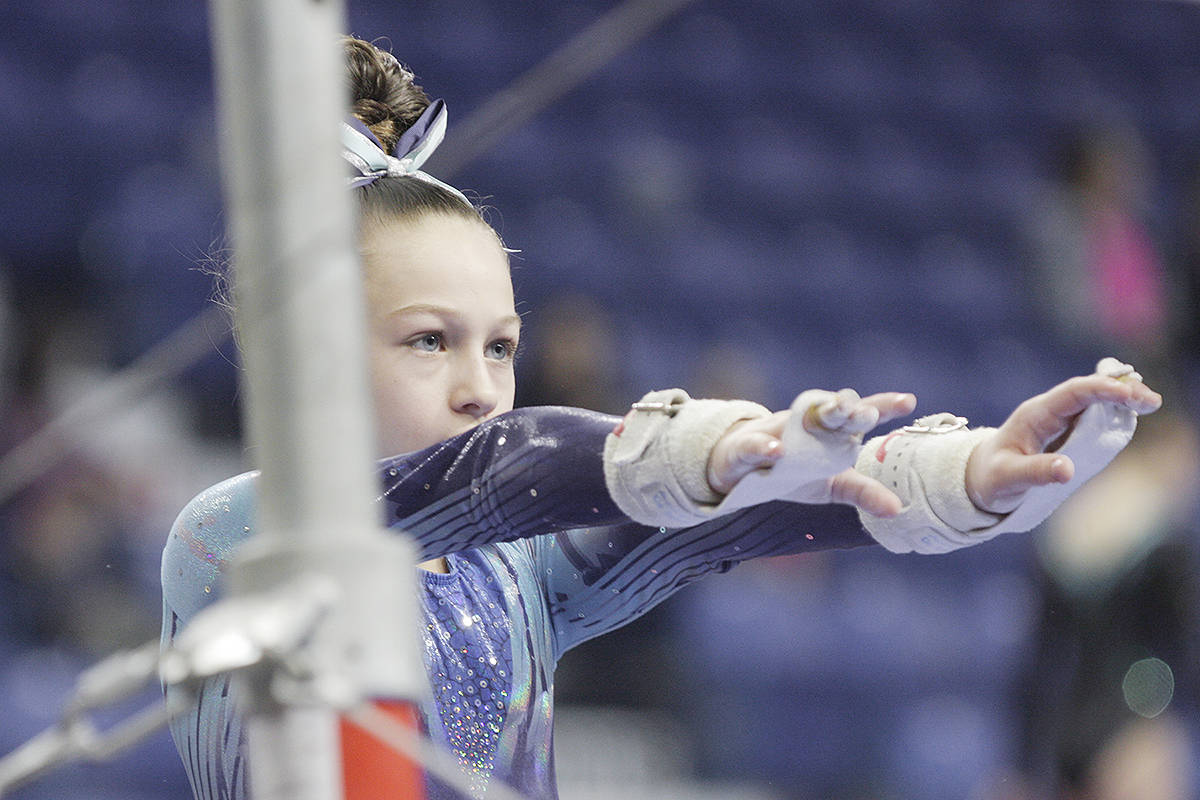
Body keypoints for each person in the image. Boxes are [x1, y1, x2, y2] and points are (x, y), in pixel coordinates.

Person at [160, 37, 1163, 800]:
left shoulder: (512, 572)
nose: (478, 385)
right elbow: (503, 470)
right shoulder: (235, 539)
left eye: (501, 345)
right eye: (430, 339)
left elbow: (735, 518)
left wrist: (970, 472)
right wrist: (701, 446)